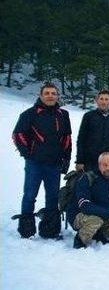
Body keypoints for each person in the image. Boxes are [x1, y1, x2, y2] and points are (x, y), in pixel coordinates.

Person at [12, 82, 72, 239]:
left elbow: (67, 138)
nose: (50, 96)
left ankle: (50, 230)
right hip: (35, 163)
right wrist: (28, 153)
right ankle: (26, 230)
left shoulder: (63, 114)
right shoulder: (29, 114)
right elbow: (18, 135)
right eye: (47, 93)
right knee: (30, 195)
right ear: (41, 95)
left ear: (57, 96)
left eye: (53, 93)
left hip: (54, 163)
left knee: (52, 197)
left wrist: (66, 158)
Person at [71, 152, 109, 248]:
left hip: (104, 215)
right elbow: (84, 205)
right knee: (96, 220)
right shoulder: (87, 178)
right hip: (80, 215)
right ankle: (80, 240)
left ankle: (101, 234)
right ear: (99, 165)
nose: (108, 168)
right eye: (105, 165)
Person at [75, 90, 109, 173]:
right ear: (97, 100)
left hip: (107, 161)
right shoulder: (89, 116)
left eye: (106, 99)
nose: (104, 102)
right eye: (101, 99)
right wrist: (79, 160)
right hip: (90, 160)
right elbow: (81, 139)